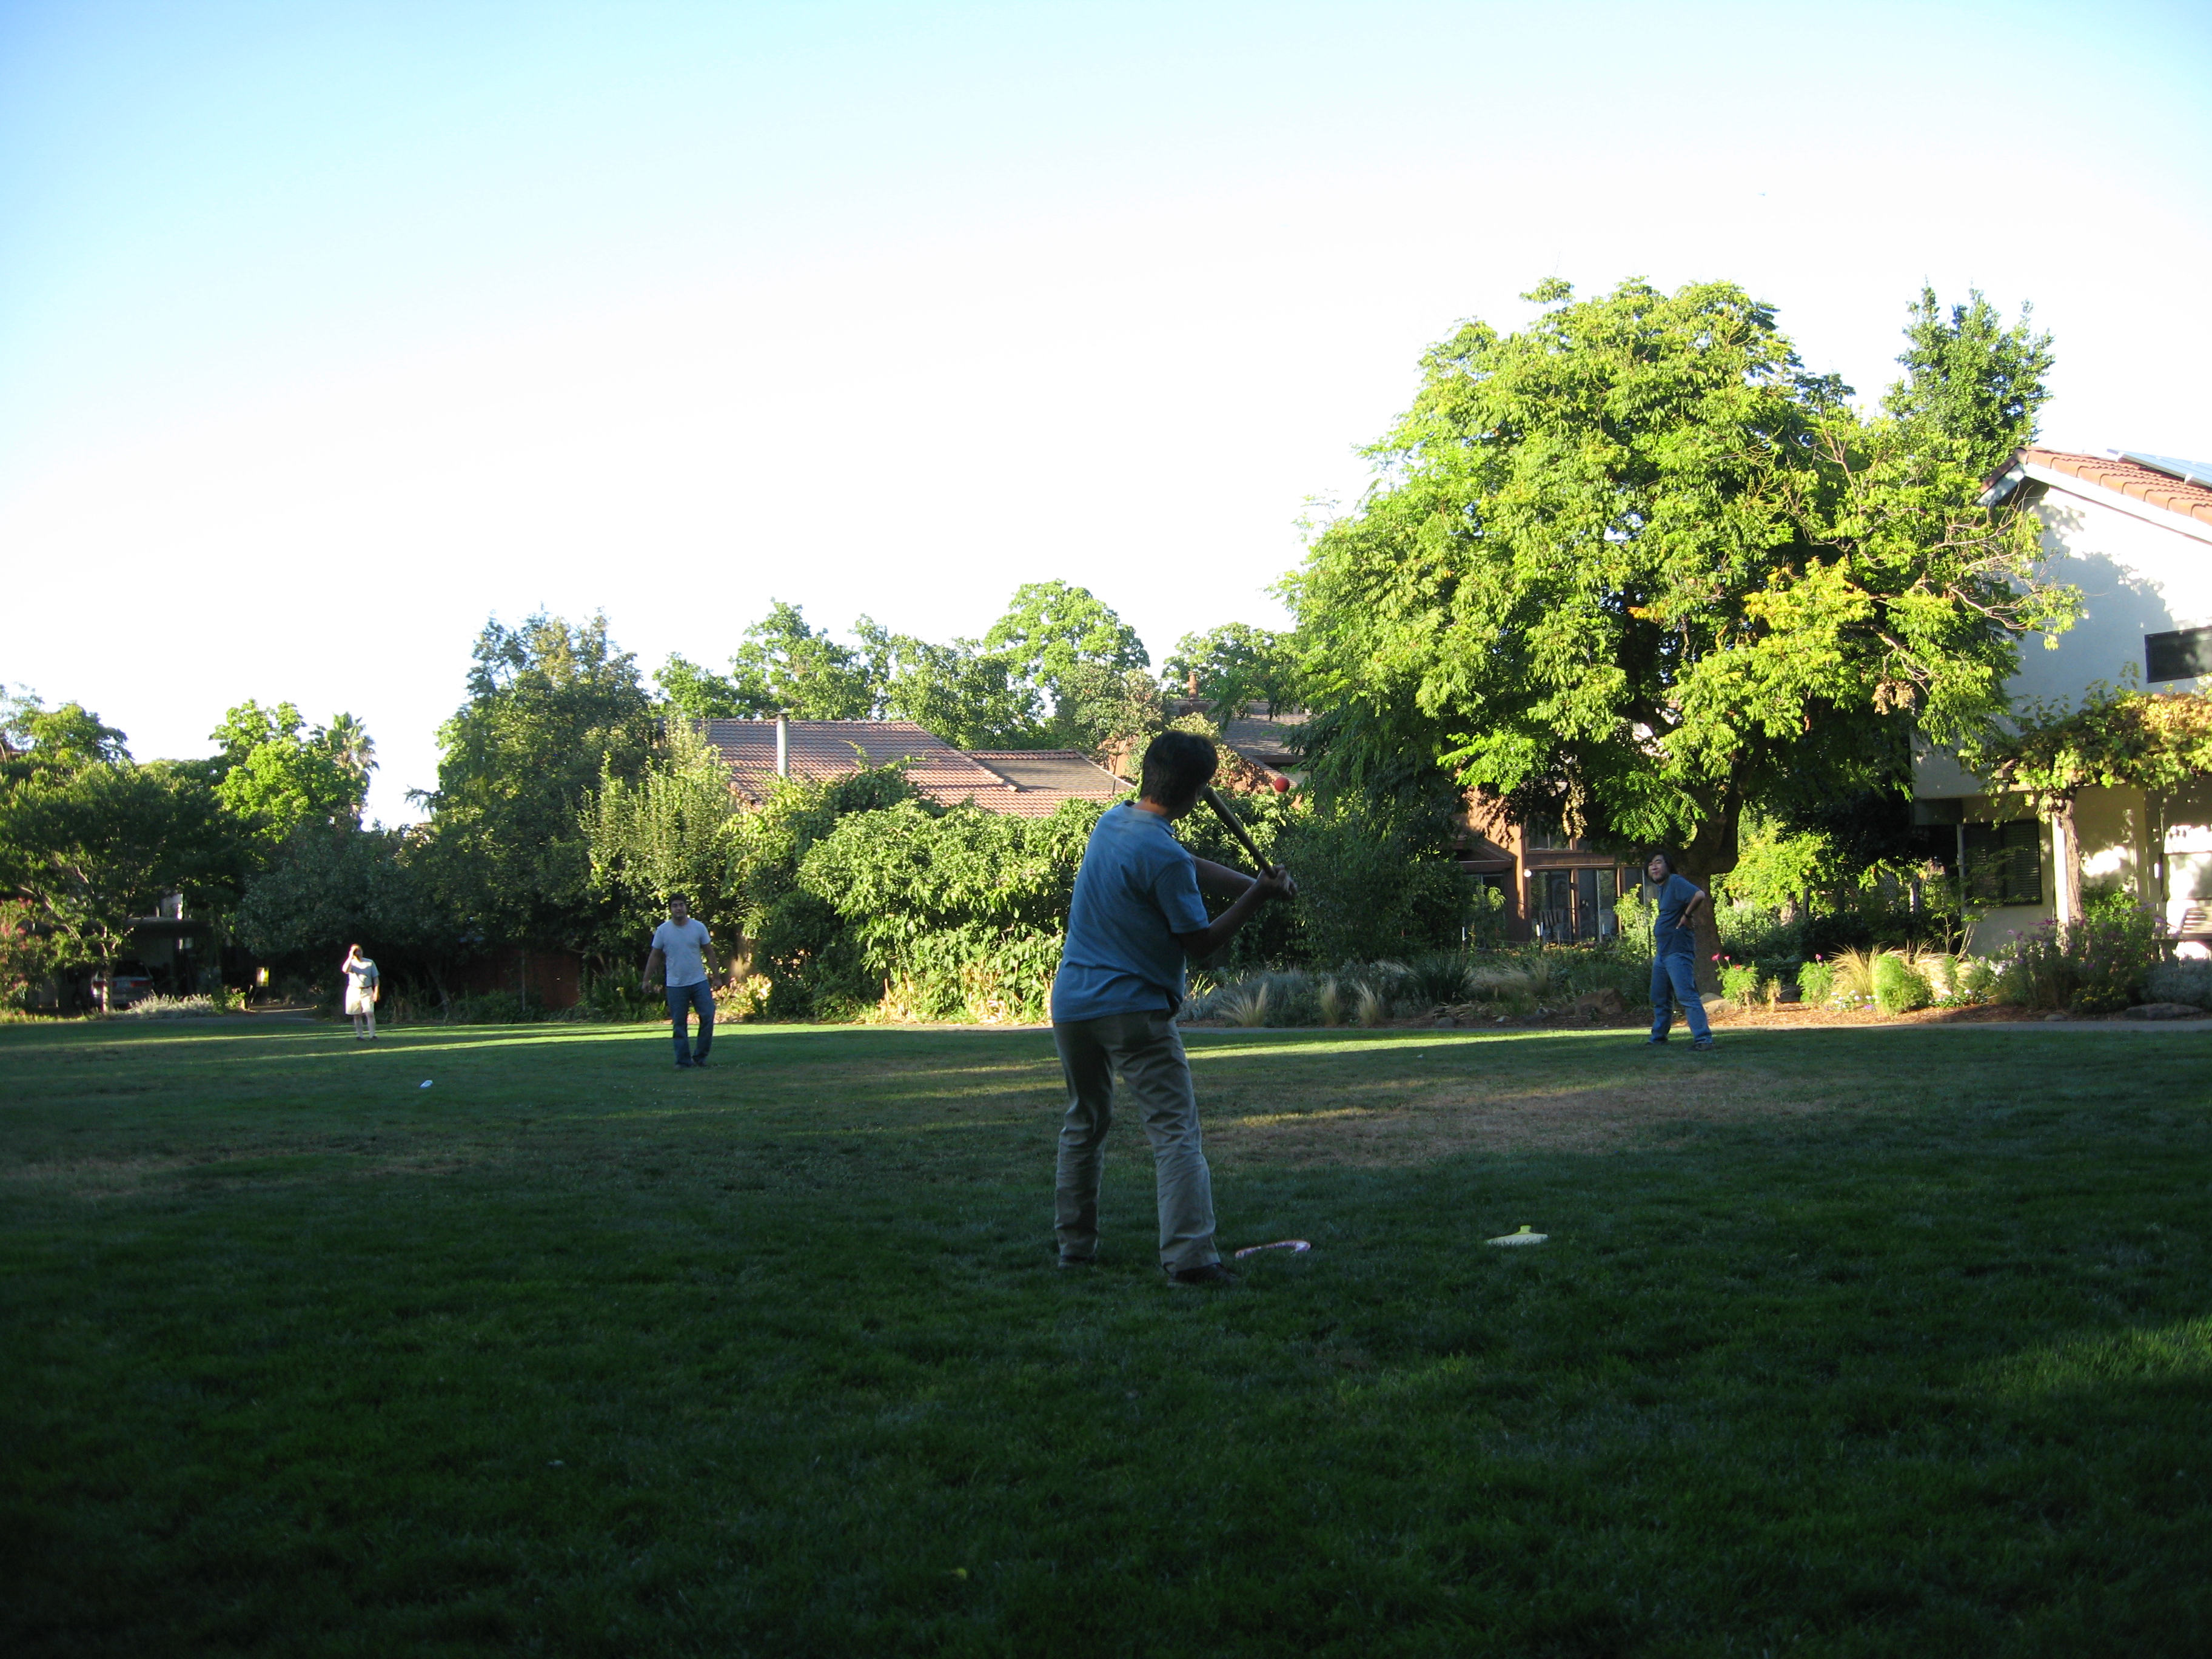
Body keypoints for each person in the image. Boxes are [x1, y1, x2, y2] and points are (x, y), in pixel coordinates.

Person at [1051, 731, 1294, 1287]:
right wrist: (1259, 897)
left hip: (1072, 1004)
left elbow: (1188, 862)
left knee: (1084, 1123)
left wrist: (1257, 884)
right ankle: (1191, 1260)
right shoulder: (1162, 855)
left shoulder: (1114, 822)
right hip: (1133, 1009)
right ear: (1197, 792)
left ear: (1148, 773)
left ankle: (1074, 1250)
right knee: (1175, 1133)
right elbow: (1200, 943)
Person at [1643, 853, 1715, 1050]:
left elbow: (1699, 895)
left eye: (1659, 862)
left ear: (1668, 866)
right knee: (1660, 997)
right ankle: (1658, 1038)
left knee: (1686, 995)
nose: (1654, 867)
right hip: (1663, 952)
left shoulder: (1675, 881)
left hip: (1677, 950)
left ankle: (1703, 1040)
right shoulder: (1662, 888)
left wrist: (1687, 916)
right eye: (1651, 864)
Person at [643, 894, 722, 1070]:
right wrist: (646, 979)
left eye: (681, 905)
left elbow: (709, 952)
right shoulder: (663, 931)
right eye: (675, 906)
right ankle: (683, 1061)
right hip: (675, 984)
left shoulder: (698, 927)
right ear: (670, 909)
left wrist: (716, 977)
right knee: (679, 1023)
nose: (678, 908)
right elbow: (655, 956)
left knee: (708, 1015)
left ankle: (700, 1057)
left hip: (699, 981)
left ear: (686, 907)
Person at [341, 944, 380, 1040]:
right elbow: (345, 970)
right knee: (357, 1015)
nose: (358, 953)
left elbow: (376, 978)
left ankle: (372, 1035)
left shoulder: (370, 962)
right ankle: (360, 1035)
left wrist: (376, 992)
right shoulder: (351, 963)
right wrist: (350, 956)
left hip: (367, 990)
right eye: (356, 951)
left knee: (370, 1013)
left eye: (359, 951)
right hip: (354, 990)